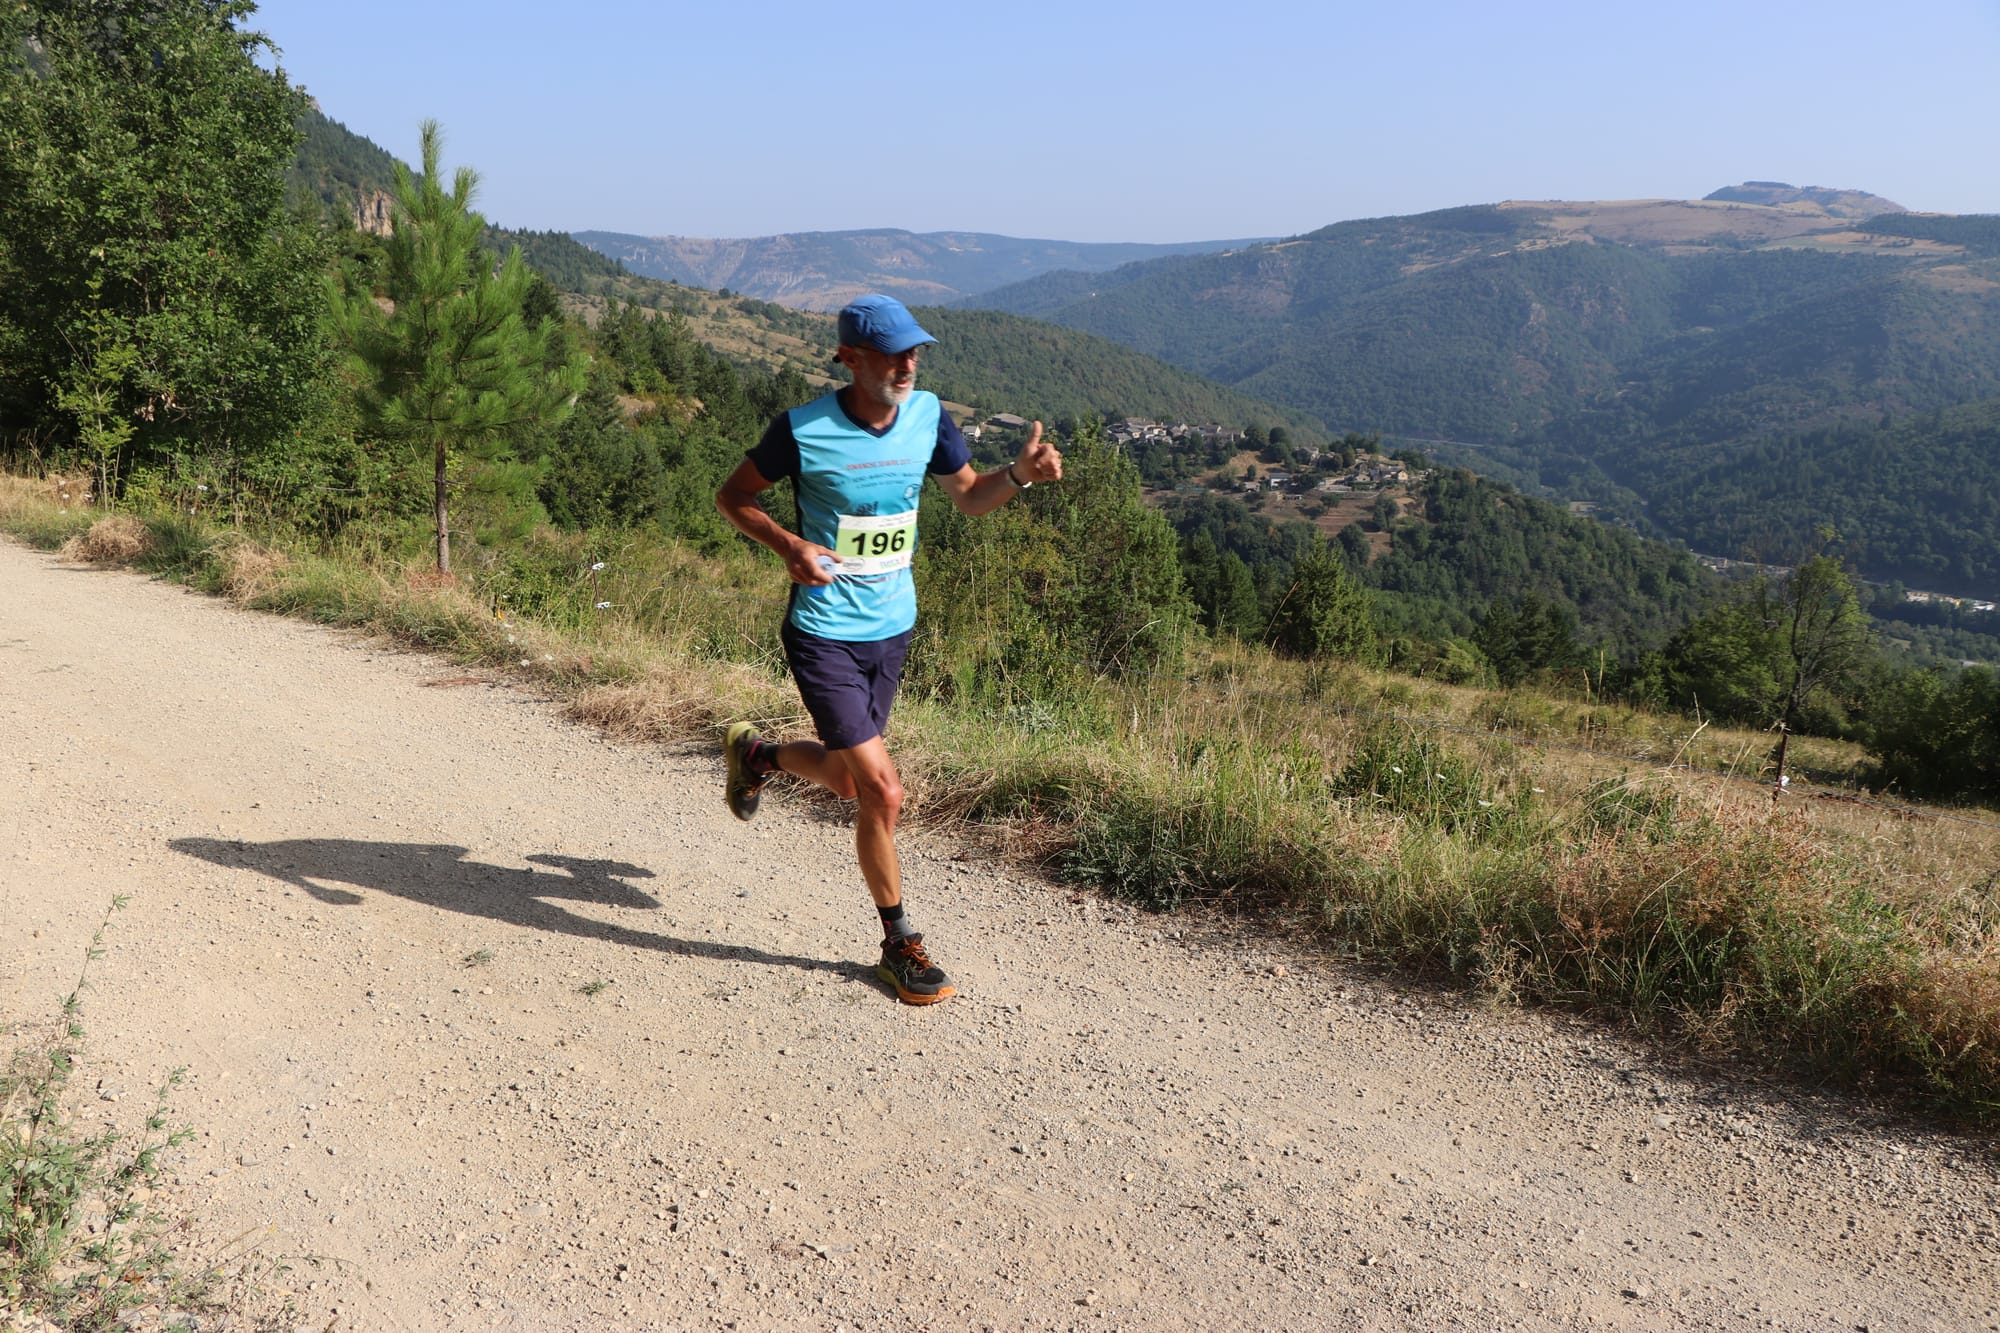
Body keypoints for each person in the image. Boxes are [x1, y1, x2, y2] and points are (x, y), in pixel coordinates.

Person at [715, 294, 1062, 1005]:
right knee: (883, 789)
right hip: (822, 632)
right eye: (892, 354)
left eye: (915, 352)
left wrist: (1020, 475)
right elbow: (734, 496)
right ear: (850, 359)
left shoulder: (929, 415)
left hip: (892, 628)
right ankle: (899, 944)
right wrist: (788, 544)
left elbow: (968, 495)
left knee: (847, 781)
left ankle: (757, 756)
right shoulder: (803, 430)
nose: (907, 364)